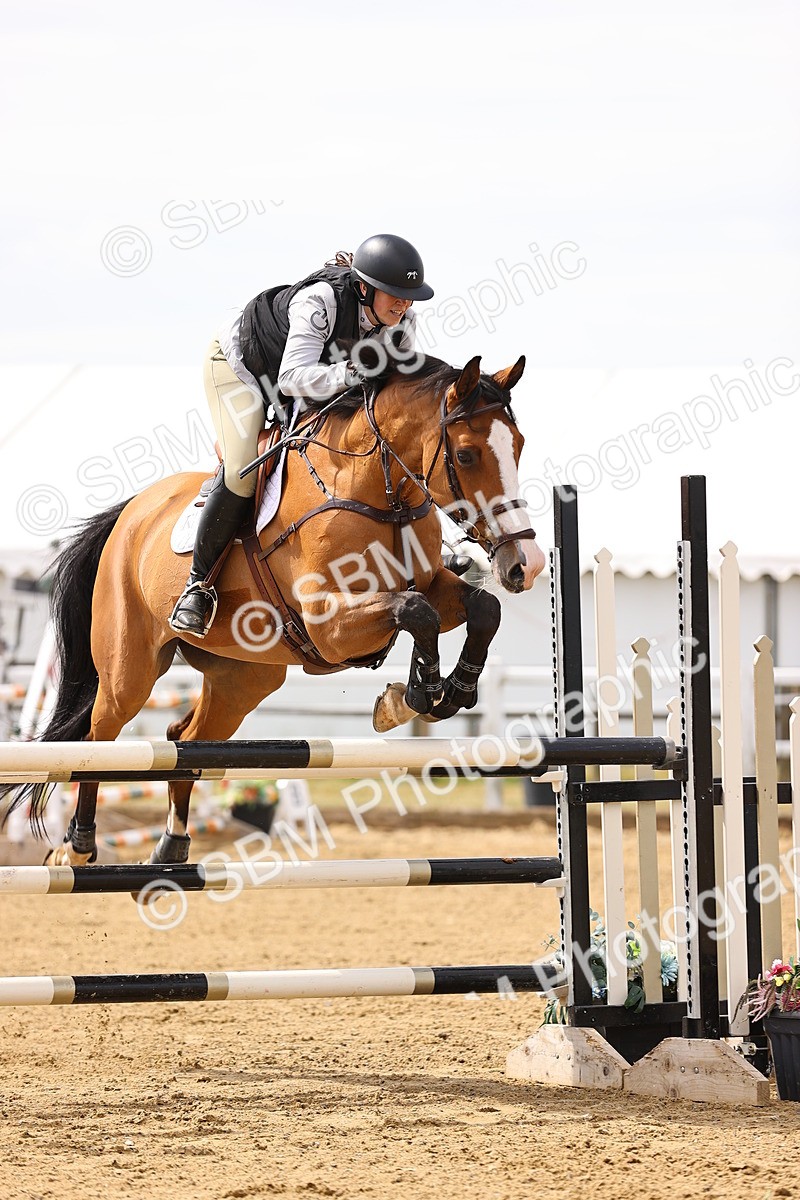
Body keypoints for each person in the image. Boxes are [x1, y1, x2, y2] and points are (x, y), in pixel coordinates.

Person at [169, 234, 435, 638]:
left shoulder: (402, 324)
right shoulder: (320, 303)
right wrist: (352, 373)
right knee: (244, 470)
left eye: (408, 296)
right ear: (363, 288)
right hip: (242, 368)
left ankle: (436, 551)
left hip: (308, 379)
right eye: (393, 295)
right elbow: (292, 379)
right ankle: (198, 587)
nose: (403, 304)